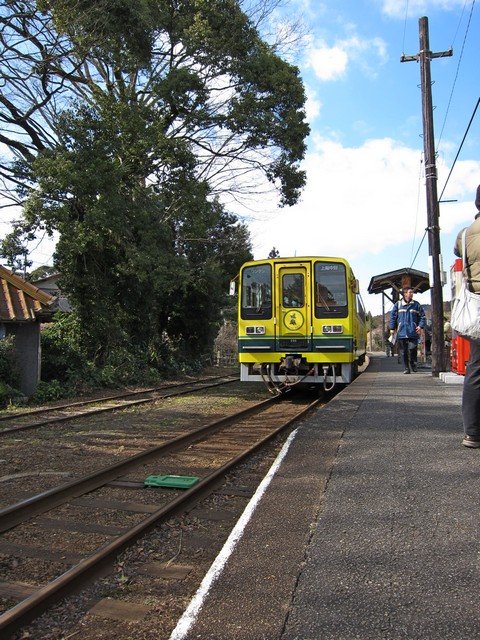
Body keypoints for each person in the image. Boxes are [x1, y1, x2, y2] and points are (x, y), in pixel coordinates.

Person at [454, 184, 480, 448]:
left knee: (476, 368)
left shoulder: (464, 236)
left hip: (476, 311)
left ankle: (472, 433)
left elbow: (456, 251)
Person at [389, 287, 426, 374]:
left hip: (413, 331)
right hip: (401, 331)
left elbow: (423, 317)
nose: (412, 294)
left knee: (412, 348)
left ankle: (413, 363)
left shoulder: (416, 305)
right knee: (403, 351)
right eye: (410, 292)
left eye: (412, 292)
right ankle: (406, 368)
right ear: (405, 294)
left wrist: (420, 326)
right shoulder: (398, 305)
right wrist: (392, 328)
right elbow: (393, 317)